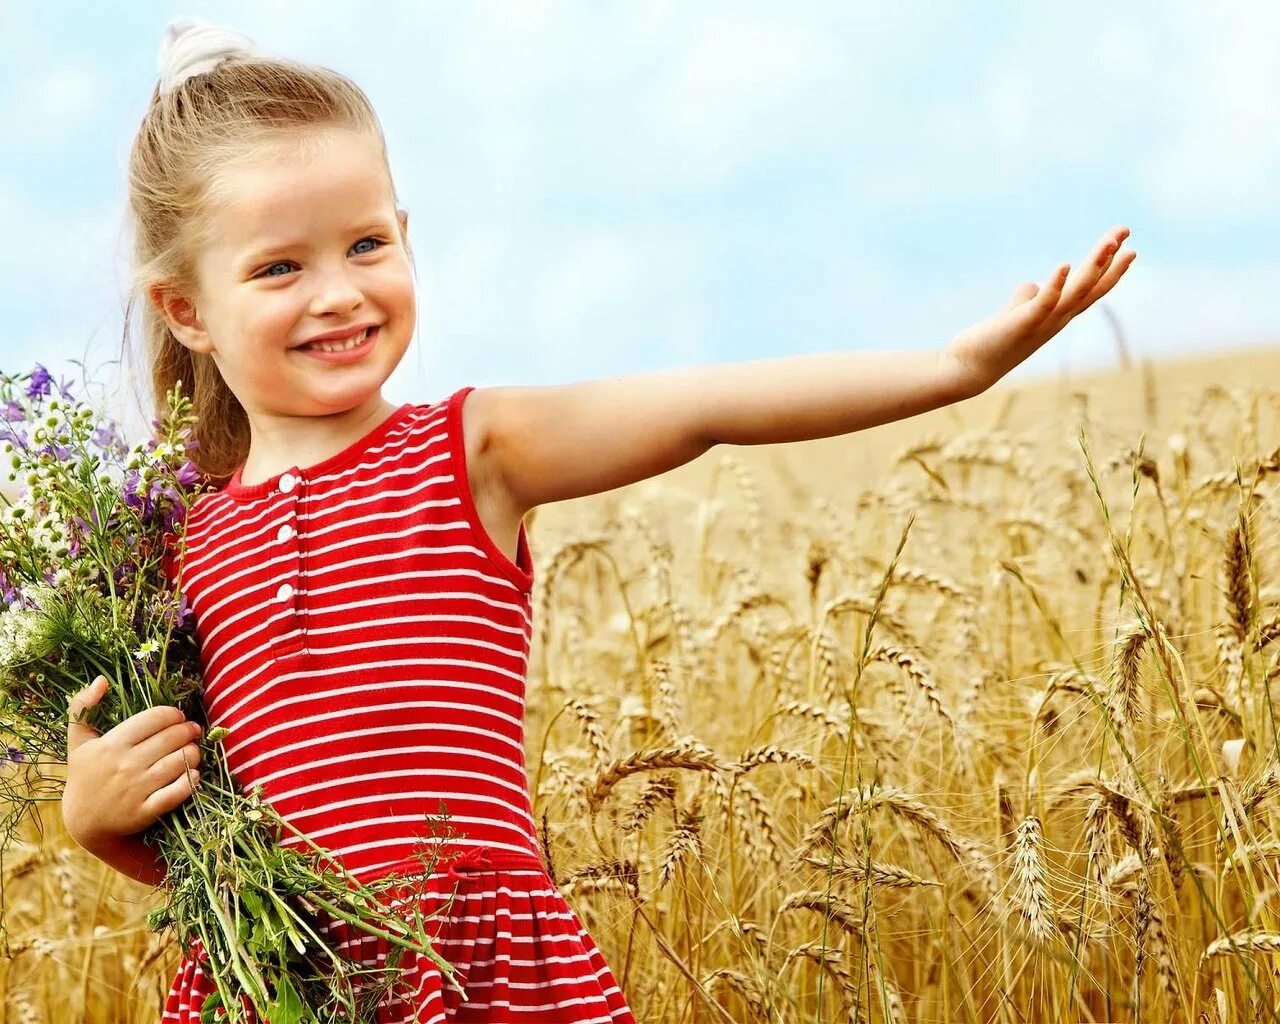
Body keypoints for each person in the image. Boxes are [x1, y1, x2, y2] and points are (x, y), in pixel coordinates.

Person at [59, 14, 1136, 1024]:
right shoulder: (169, 543)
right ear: (186, 308)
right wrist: (98, 822)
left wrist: (952, 367)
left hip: (480, 968)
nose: (337, 292)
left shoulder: (469, 449)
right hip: (285, 980)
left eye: (367, 245)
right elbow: (207, 846)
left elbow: (705, 409)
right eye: (279, 267)